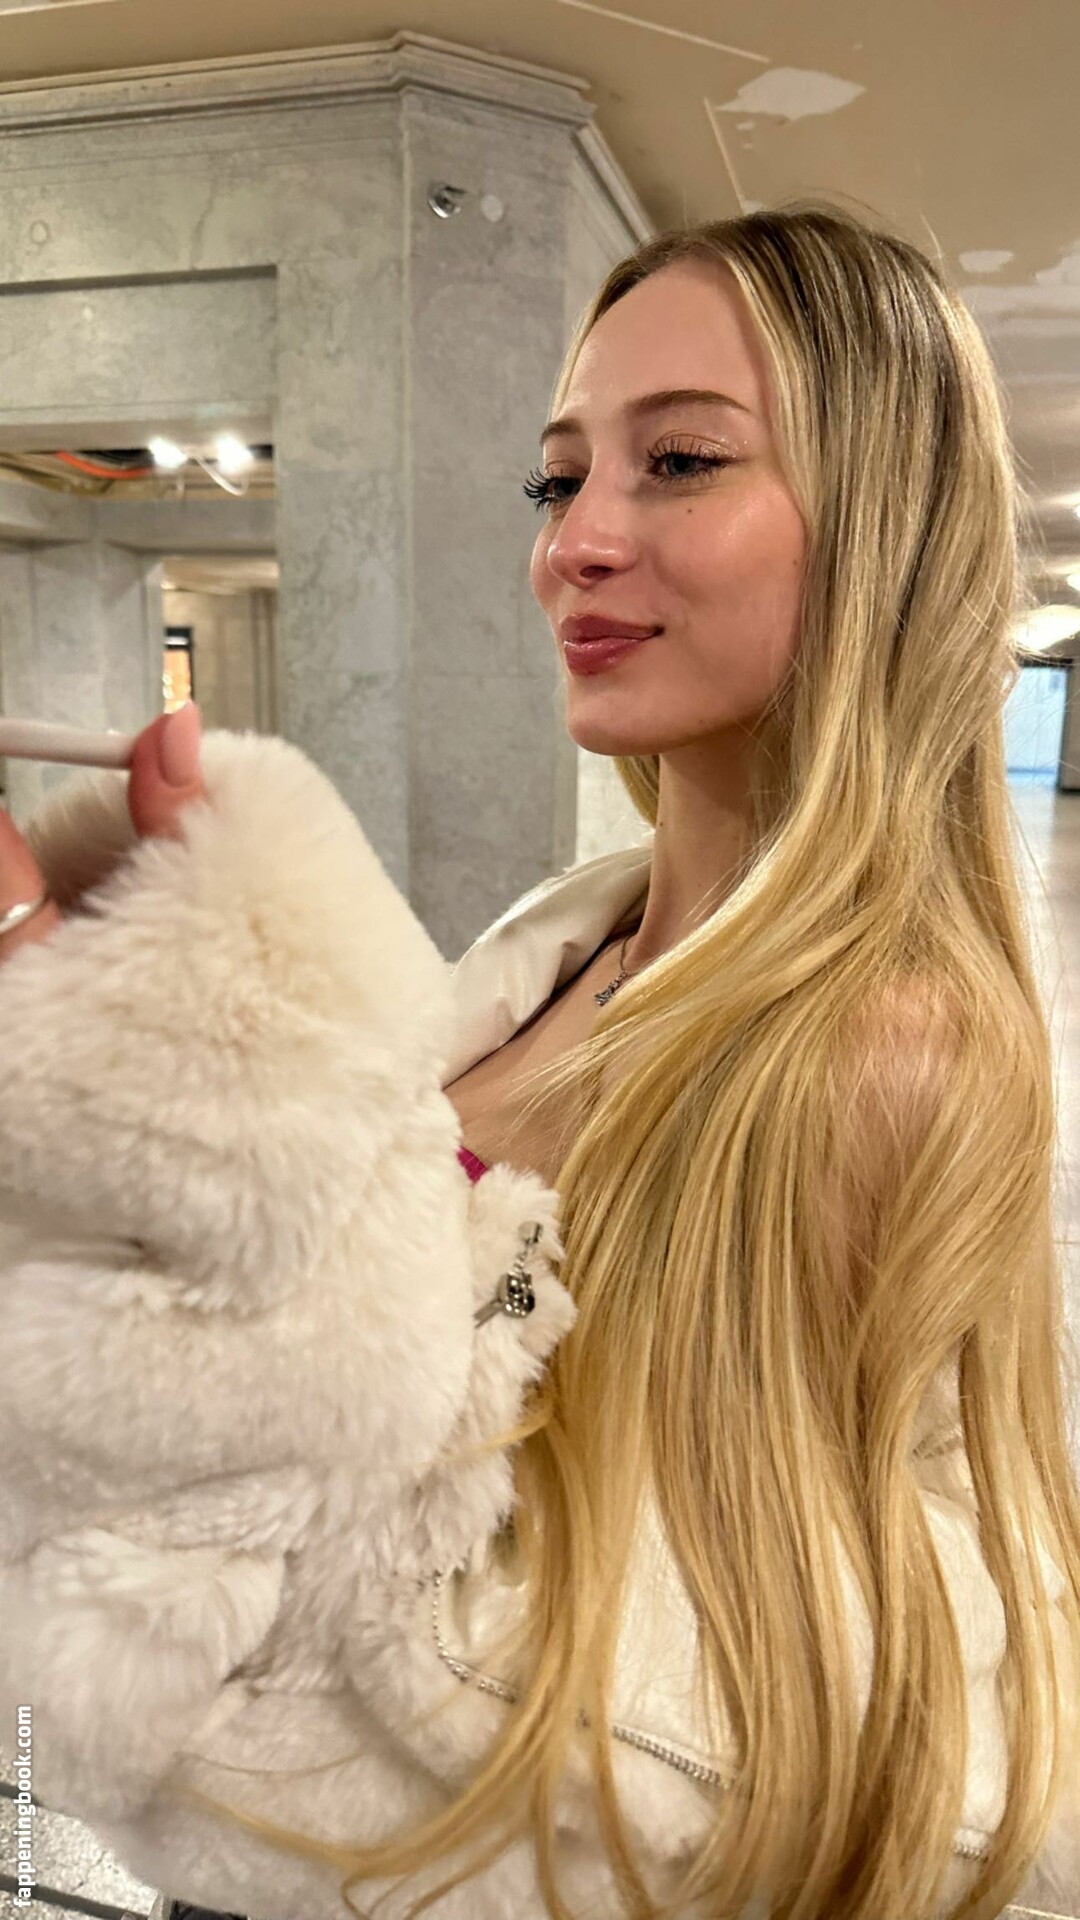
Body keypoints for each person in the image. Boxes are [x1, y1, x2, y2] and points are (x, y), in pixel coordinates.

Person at [0, 199, 1078, 1920]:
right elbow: (356, 1354)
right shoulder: (572, 940)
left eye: (682, 463)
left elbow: (679, 1712)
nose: (575, 542)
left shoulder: (866, 1054)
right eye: (559, 478)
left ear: (888, 524)